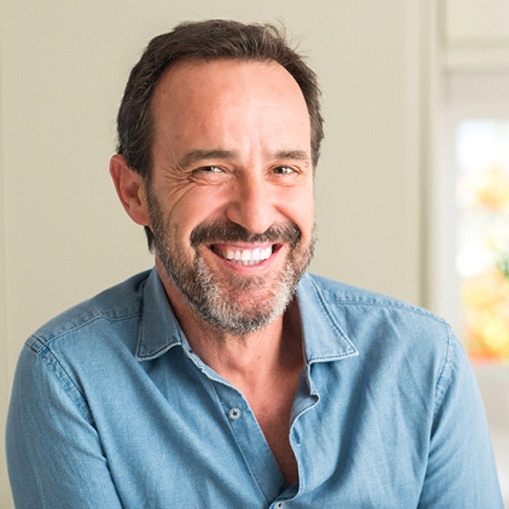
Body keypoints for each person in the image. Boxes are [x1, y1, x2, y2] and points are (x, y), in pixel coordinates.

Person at [6, 19, 503, 508]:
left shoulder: (424, 361)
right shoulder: (69, 379)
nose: (255, 215)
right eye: (211, 169)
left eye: (283, 168)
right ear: (134, 191)